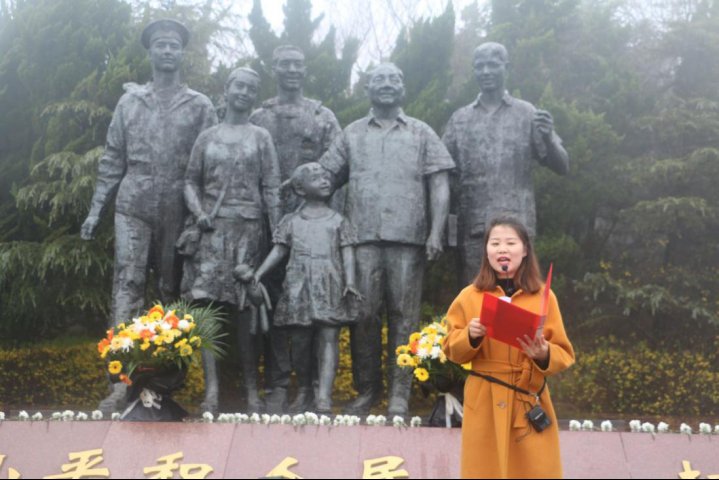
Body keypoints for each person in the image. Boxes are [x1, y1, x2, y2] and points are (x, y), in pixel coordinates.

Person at [80, 18, 217, 412]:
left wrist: (200, 217)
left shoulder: (200, 105)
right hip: (135, 199)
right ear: (151, 51)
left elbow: (208, 167)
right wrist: (95, 210)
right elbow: (112, 159)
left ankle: (167, 379)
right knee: (127, 284)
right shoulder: (130, 102)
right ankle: (119, 379)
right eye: (161, 45)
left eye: (174, 45)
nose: (168, 51)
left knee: (172, 291)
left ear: (182, 52)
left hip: (179, 201)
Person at [319, 63, 455, 416]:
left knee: (404, 318)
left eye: (394, 78)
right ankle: (367, 391)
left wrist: (436, 231)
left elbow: (439, 183)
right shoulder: (351, 133)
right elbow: (324, 179)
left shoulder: (422, 133)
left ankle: (399, 394)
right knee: (362, 316)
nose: (387, 84)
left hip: (408, 239)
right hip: (361, 237)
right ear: (367, 89)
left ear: (403, 87)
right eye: (379, 79)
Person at [181, 67, 281, 414]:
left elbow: (270, 187)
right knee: (208, 309)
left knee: (245, 311)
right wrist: (198, 212)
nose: (244, 92)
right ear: (227, 89)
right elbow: (190, 182)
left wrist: (277, 230)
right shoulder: (207, 137)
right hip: (211, 233)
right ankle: (212, 391)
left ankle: (252, 393)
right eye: (239, 85)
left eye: (251, 88)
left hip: (248, 231)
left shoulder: (261, 136)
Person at [443, 217, 574, 479]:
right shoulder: (469, 296)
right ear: (487, 251)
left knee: (534, 470)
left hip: (528, 399)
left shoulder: (543, 297)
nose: (502, 249)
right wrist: (470, 335)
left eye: (510, 242)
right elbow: (450, 349)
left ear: (525, 250)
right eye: (495, 243)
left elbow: (564, 353)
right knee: (484, 470)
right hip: (484, 399)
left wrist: (543, 353)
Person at [250, 45, 342, 413]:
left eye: (297, 64)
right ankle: (276, 383)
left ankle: (315, 389)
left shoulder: (323, 117)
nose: (291, 70)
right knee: (273, 306)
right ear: (274, 68)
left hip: (314, 229)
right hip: (268, 225)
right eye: (284, 63)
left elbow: (337, 175)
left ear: (305, 70)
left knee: (316, 313)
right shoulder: (260, 117)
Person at [442, 42, 569, 286]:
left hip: (517, 227)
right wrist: (447, 231)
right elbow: (442, 177)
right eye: (480, 66)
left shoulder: (527, 113)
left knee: (518, 300)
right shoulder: (460, 119)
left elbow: (562, 165)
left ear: (506, 67)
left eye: (493, 64)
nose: (486, 71)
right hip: (473, 229)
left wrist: (548, 139)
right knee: (475, 302)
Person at [252, 163, 362, 413]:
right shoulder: (291, 221)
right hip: (298, 283)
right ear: (300, 189)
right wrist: (258, 274)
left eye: (326, 176)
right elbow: (279, 250)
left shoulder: (339, 221)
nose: (324, 180)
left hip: (330, 280)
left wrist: (351, 281)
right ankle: (303, 389)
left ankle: (323, 395)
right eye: (316, 178)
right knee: (300, 342)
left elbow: (348, 253)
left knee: (328, 337)